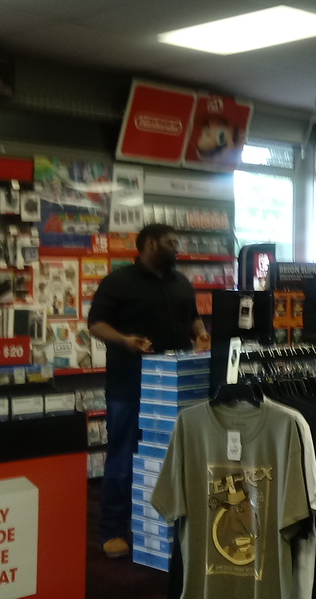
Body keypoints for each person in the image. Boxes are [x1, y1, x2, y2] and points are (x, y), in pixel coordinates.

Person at [88, 223, 209, 559]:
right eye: (172, 243)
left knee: (176, 456)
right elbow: (96, 324)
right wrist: (125, 340)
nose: (178, 248)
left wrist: (200, 334)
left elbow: (193, 318)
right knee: (123, 456)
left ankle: (167, 526)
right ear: (152, 244)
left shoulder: (181, 282)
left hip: (174, 387)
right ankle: (113, 529)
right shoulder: (118, 282)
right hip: (130, 384)